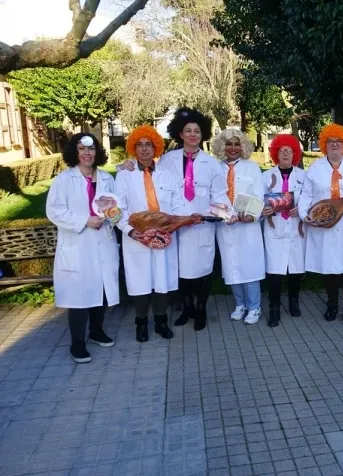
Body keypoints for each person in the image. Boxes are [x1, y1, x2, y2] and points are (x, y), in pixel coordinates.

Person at [117, 108, 231, 331]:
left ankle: (201, 309)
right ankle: (187, 308)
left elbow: (220, 194)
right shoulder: (167, 161)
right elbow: (143, 172)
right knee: (180, 271)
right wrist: (123, 165)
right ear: (180, 133)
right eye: (188, 130)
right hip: (174, 228)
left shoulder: (211, 163)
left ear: (203, 134)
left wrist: (227, 212)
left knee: (203, 270)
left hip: (201, 224)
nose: (192, 135)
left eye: (197, 131)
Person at [46, 133, 119, 363]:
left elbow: (117, 208)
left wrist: (113, 215)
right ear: (74, 152)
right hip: (78, 245)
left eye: (91, 148)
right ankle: (77, 343)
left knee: (101, 290)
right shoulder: (63, 180)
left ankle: (96, 331)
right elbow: (54, 211)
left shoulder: (107, 178)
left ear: (97, 152)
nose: (87, 153)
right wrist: (84, 221)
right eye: (81, 149)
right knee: (78, 295)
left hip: (103, 242)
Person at [115, 125, 182, 343]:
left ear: (156, 148)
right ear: (133, 148)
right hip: (138, 238)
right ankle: (141, 322)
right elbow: (118, 209)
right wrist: (130, 231)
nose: (144, 149)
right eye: (140, 145)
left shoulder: (166, 175)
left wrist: (176, 222)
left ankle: (161, 321)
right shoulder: (124, 175)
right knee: (140, 281)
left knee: (162, 279)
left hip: (163, 235)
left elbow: (177, 202)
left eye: (149, 145)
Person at [298, 123, 343, 322]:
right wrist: (304, 215)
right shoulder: (315, 169)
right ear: (324, 145)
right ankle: (332, 304)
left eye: (339, 141)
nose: (335, 144)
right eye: (330, 141)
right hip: (325, 225)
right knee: (329, 267)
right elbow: (306, 195)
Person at [212, 128, 266, 325]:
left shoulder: (251, 167)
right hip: (226, 226)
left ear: (243, 146)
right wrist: (224, 214)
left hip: (247, 226)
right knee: (231, 266)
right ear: (222, 146)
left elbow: (259, 195)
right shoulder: (215, 168)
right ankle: (240, 304)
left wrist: (251, 216)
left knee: (250, 267)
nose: (233, 148)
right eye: (229, 144)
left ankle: (254, 307)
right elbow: (213, 195)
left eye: (237, 144)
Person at [262, 134, 307, 327]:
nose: (286, 154)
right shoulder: (266, 176)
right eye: (282, 151)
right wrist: (263, 209)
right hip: (275, 228)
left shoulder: (304, 176)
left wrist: (302, 209)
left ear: (295, 153)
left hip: (296, 228)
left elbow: (311, 199)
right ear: (276, 154)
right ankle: (274, 308)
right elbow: (258, 199)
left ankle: (293, 301)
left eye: (289, 150)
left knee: (295, 269)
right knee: (275, 271)